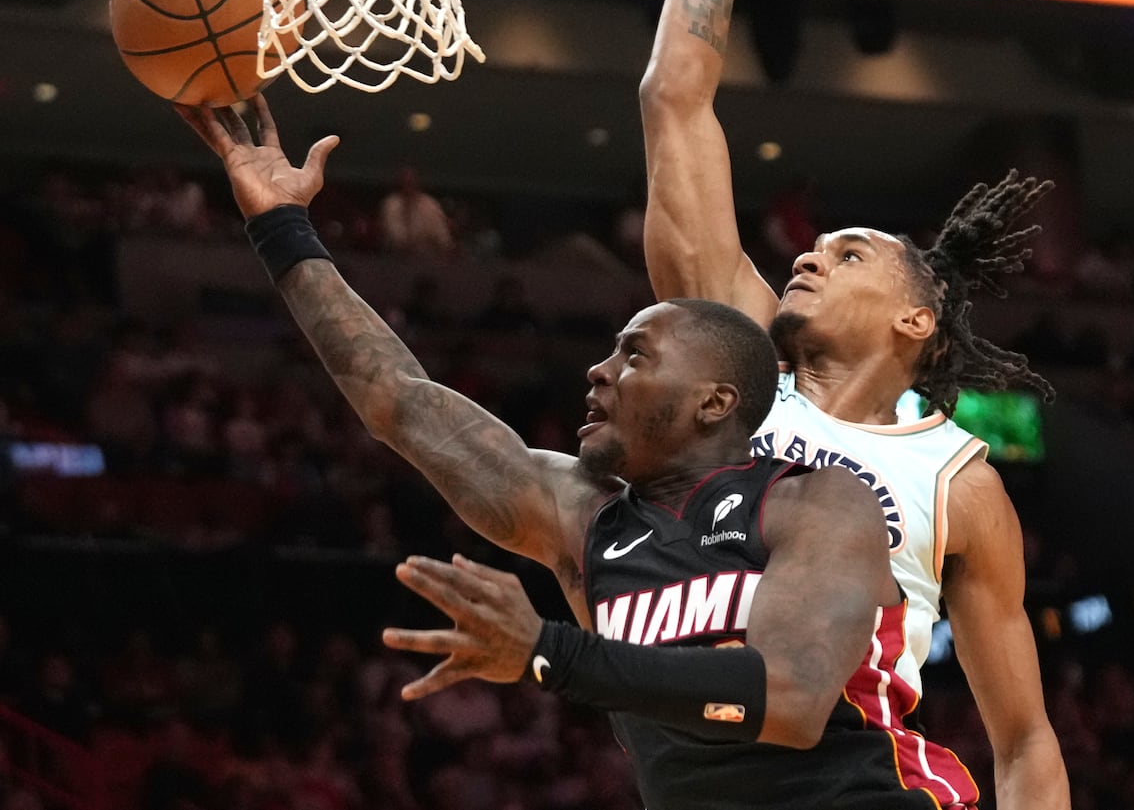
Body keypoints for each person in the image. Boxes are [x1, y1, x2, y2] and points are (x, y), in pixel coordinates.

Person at [174, 86, 927, 809]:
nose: (599, 371)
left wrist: (548, 649)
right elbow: (399, 401)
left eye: (636, 355)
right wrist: (281, 227)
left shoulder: (818, 501)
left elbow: (790, 700)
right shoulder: (582, 514)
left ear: (715, 401)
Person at [634, 0, 1070, 809]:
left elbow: (1023, 742)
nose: (806, 251)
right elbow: (672, 99)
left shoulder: (960, 481)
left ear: (916, 316)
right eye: (814, 245)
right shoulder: (732, 356)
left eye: (849, 250)